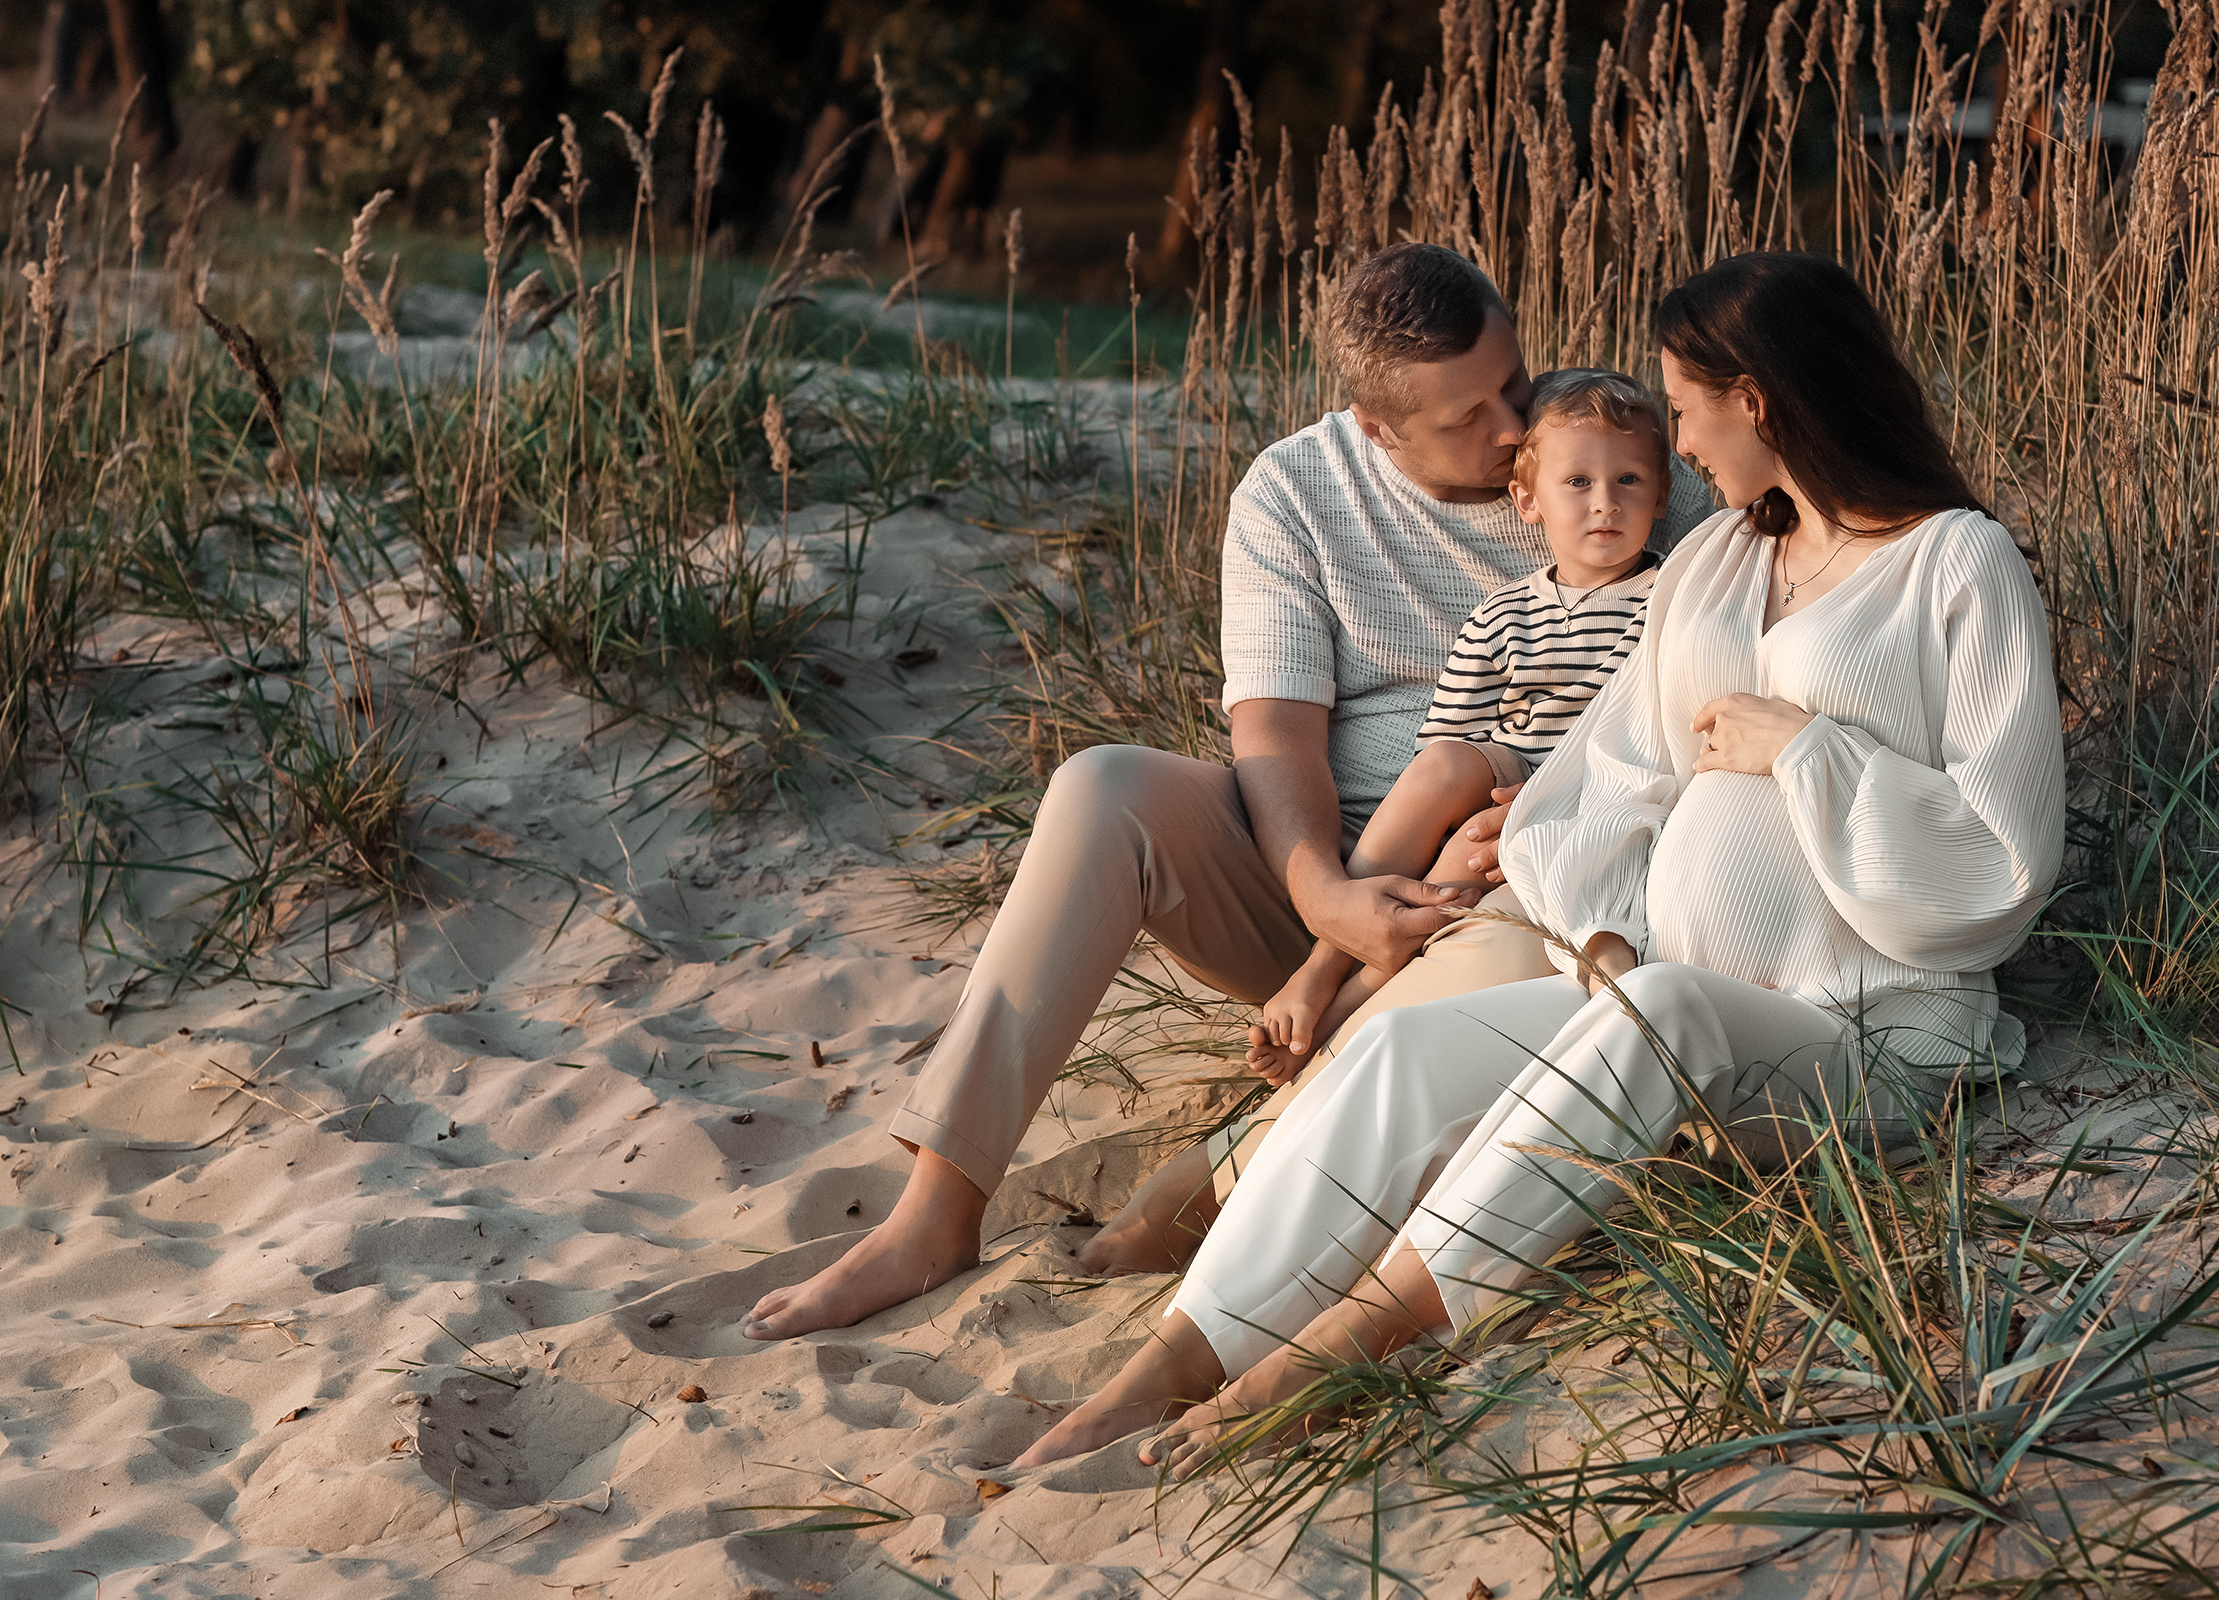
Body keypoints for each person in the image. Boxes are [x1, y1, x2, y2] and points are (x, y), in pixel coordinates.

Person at [1012, 250, 2066, 1472]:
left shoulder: (1959, 563)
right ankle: (1181, 1354)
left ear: (1760, 403)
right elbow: (1604, 783)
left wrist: (1810, 752)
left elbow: (2006, 861)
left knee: (1664, 1009)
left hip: (1872, 1028)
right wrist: (1606, 941)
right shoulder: (1721, 561)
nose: (1678, 440)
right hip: (1655, 997)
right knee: (1408, 1045)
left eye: (1683, 408)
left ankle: (1359, 1330)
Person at [740, 244, 1714, 1340]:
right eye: (1467, 415)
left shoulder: (1598, 457)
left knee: (1492, 934)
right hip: (1321, 879)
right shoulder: (1298, 492)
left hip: (1509, 886)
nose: (1507, 428)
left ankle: (1230, 1176)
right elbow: (1275, 737)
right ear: (1379, 427)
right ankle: (935, 1211)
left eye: (1512, 382)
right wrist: (1325, 896)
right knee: (1104, 785)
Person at [1250, 369, 1675, 1085]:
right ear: (1527, 500)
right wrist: (1472, 823)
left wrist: (1551, 799)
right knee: (1451, 802)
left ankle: (1331, 1028)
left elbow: (1661, 725)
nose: (1605, 504)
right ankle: (1323, 963)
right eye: (1577, 483)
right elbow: (1445, 749)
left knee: (1454, 895)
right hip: (1496, 795)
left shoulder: (1668, 599)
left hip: (1592, 801)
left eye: (1629, 481)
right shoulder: (1501, 615)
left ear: (1661, 497)